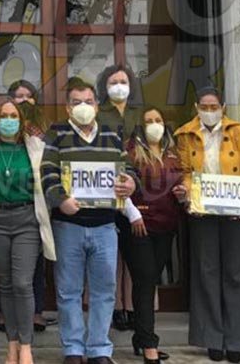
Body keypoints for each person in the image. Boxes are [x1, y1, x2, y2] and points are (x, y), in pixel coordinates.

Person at [40, 77, 137, 364]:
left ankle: (99, 349)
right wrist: (60, 199)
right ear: (68, 108)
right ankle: (73, 348)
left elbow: (128, 168)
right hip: (68, 225)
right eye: (76, 102)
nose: (83, 106)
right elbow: (47, 172)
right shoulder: (56, 134)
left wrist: (130, 182)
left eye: (88, 101)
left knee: (104, 291)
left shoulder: (110, 135)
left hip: (105, 226)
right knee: (68, 290)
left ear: (96, 105)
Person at [174, 88, 240, 363]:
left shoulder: (239, 131)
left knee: (236, 274)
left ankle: (236, 340)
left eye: (214, 105)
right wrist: (189, 195)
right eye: (204, 106)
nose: (209, 110)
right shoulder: (184, 134)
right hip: (202, 212)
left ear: (222, 106)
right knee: (206, 272)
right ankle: (212, 338)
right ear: (197, 107)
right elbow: (185, 171)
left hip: (236, 211)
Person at [0, 101, 56, 364]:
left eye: (14, 116)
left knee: (23, 283)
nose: (9, 120)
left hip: (26, 220)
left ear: (21, 121)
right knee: (6, 285)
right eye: (4, 116)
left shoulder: (34, 147)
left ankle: (26, 346)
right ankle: (11, 345)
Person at [122, 106, 185, 364]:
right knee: (145, 279)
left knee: (148, 280)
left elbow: (182, 184)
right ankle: (149, 344)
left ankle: (140, 336)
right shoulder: (131, 151)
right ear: (140, 126)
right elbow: (122, 184)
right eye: (149, 121)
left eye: (158, 120)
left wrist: (183, 192)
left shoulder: (174, 153)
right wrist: (132, 213)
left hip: (166, 226)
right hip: (138, 226)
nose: (154, 125)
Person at [94, 65, 142, 333]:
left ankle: (133, 307)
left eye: (124, 81)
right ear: (105, 86)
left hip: (138, 184)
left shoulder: (142, 115)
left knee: (135, 253)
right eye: (113, 81)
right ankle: (114, 308)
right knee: (111, 256)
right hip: (105, 187)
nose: (119, 86)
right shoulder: (99, 114)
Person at [2, 82, 50, 334]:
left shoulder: (43, 128)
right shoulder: (6, 128)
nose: (22, 101)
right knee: (7, 268)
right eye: (17, 96)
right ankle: (5, 313)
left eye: (27, 96)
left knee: (35, 264)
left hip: (35, 205)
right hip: (6, 206)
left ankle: (37, 312)